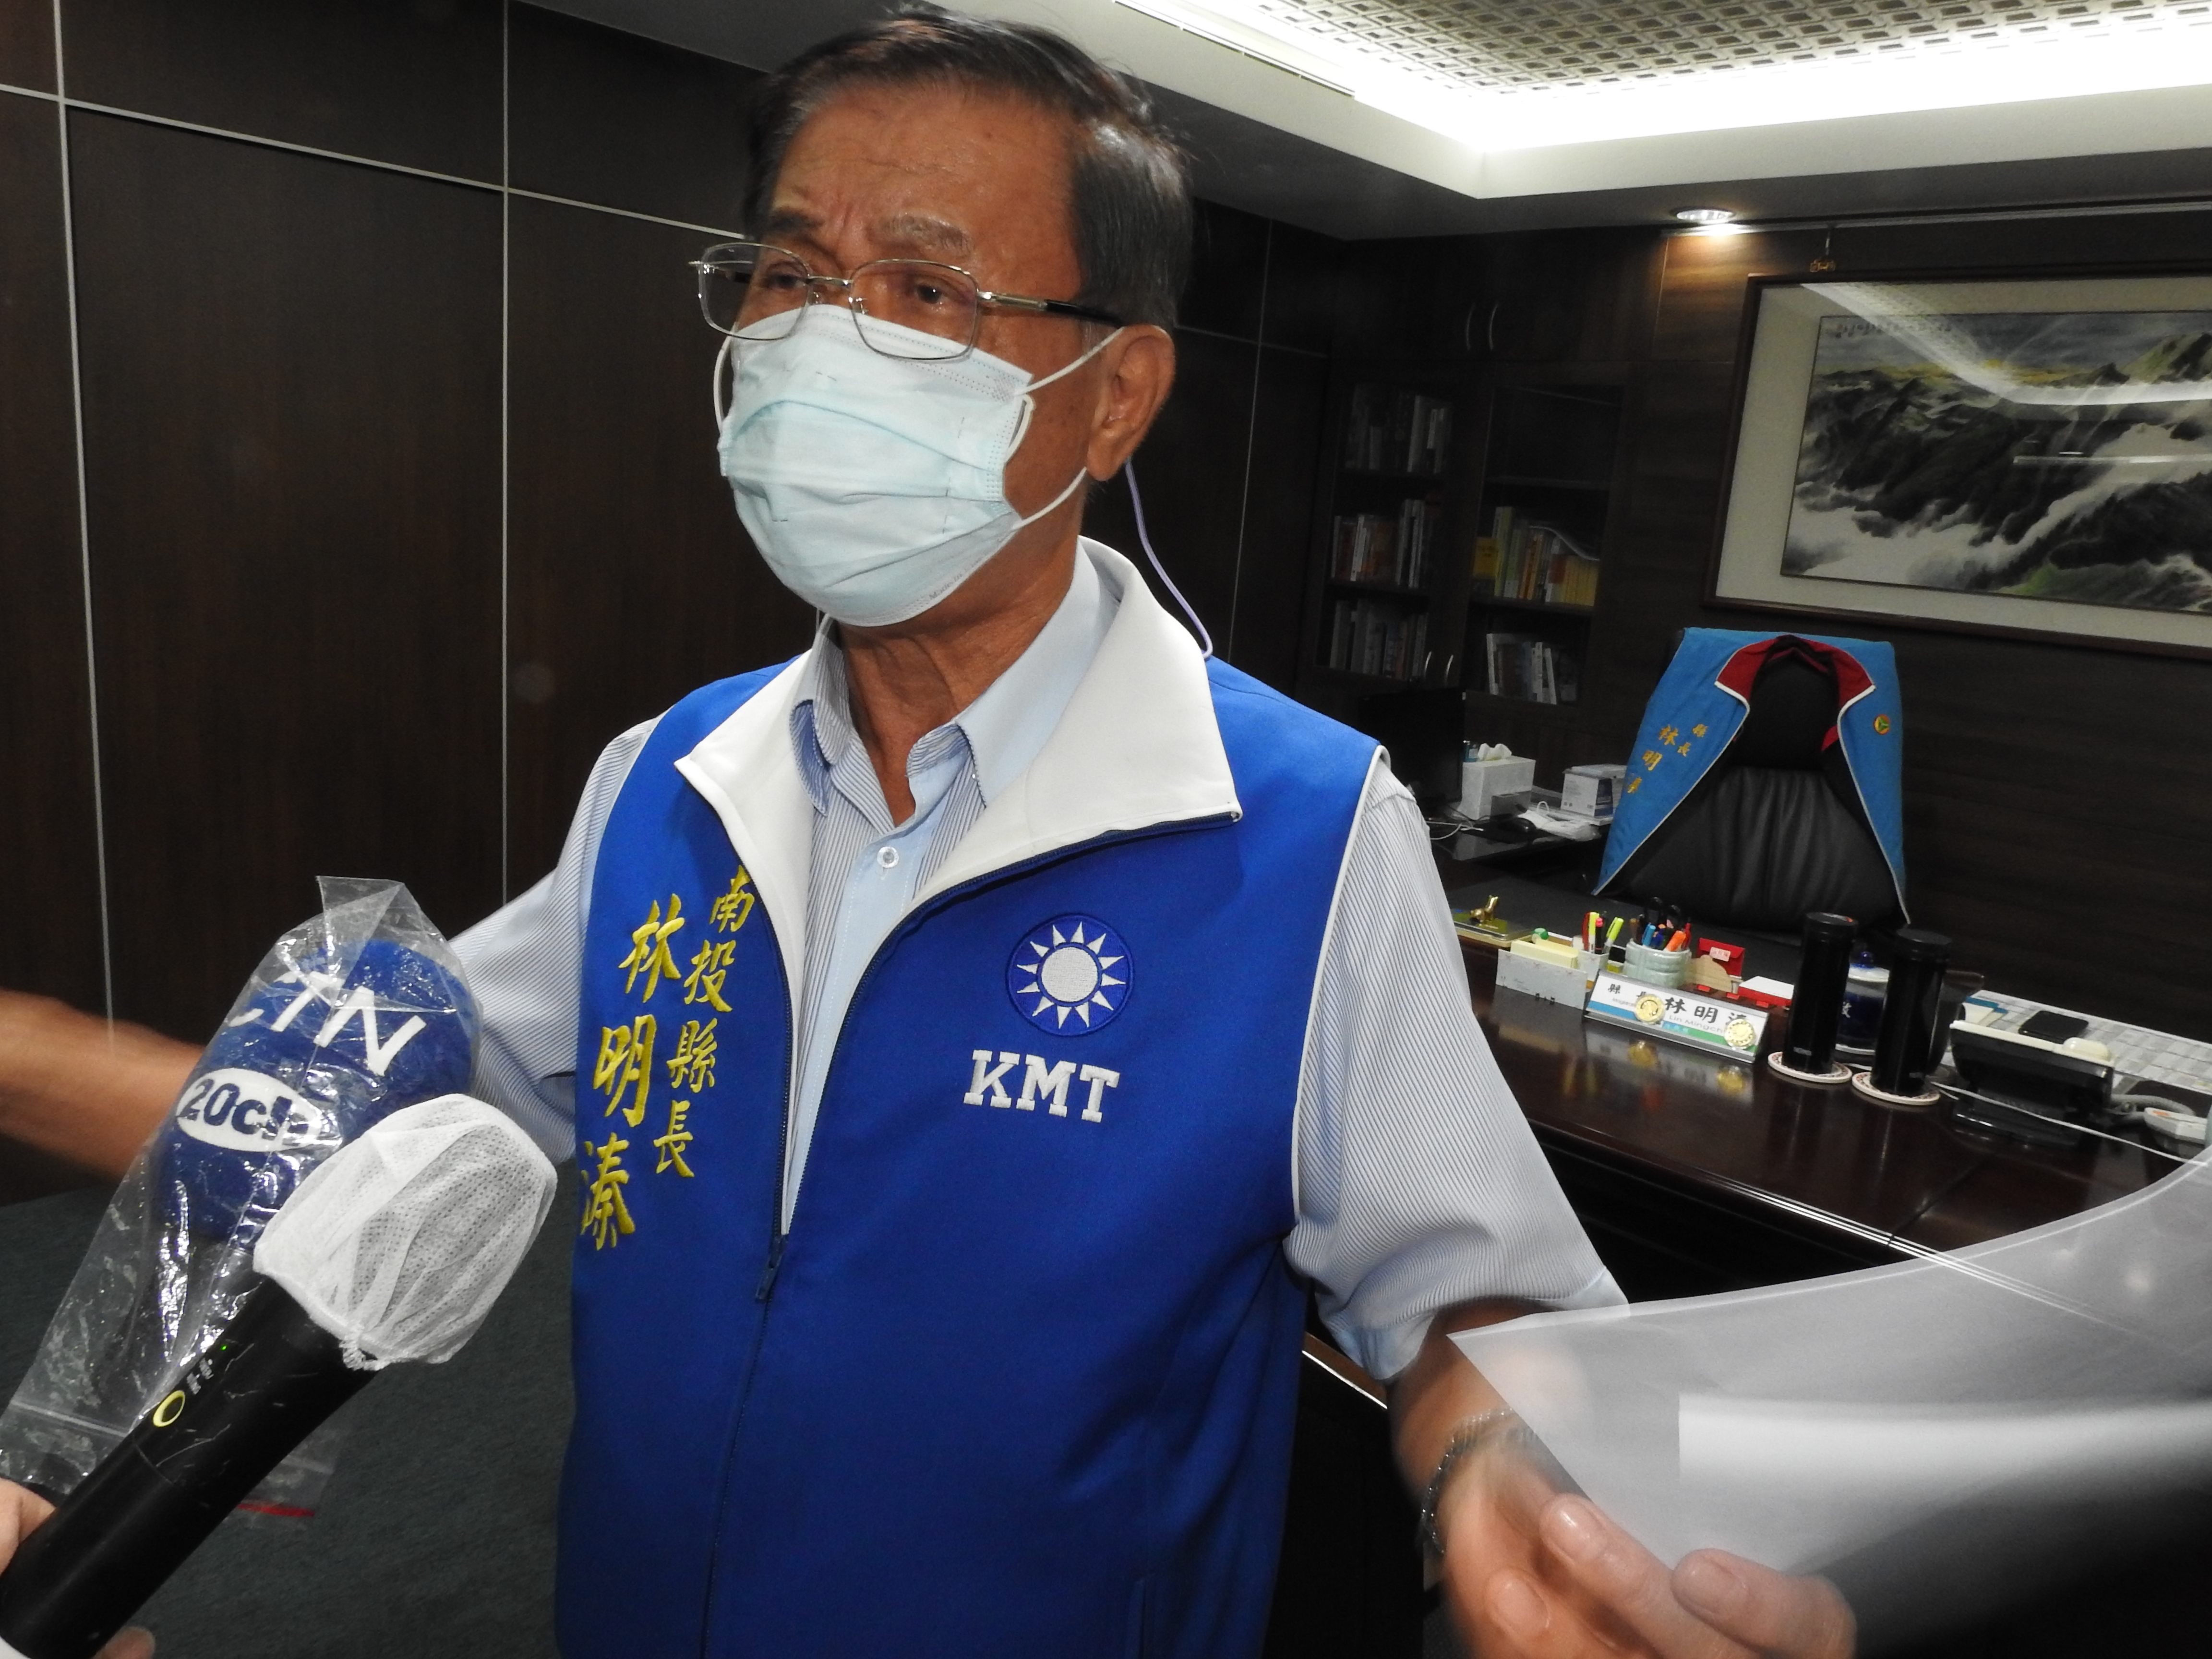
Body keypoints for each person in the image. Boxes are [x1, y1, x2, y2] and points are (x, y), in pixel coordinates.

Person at [0, 9, 1853, 1656]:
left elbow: (1472, 1298)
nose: (827, 341)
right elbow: (350, 1127)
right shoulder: (671, 777)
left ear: (1111, 398)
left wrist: (1506, 1474)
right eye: (791, 273)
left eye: (926, 289)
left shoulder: (1302, 829)